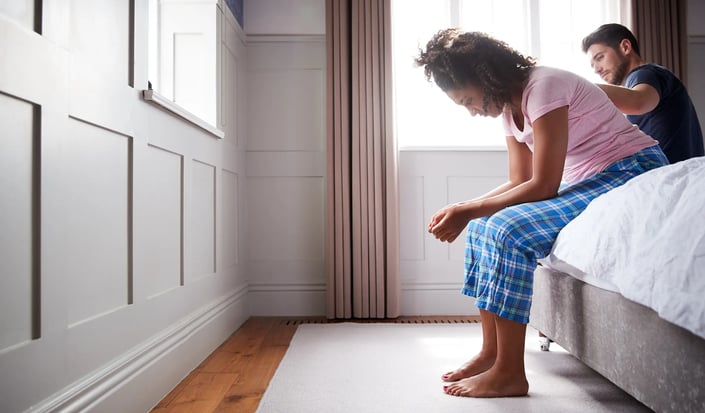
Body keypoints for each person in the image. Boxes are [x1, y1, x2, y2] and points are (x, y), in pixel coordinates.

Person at [415, 28, 668, 398]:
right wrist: (466, 210)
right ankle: (490, 352)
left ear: (486, 77)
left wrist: (466, 209)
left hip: (631, 168)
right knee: (485, 226)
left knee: (507, 231)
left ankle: (509, 373)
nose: (471, 112)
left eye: (468, 100)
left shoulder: (544, 86)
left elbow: (543, 186)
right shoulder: (507, 109)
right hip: (591, 178)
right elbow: (520, 179)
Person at [582, 23, 704, 163]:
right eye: (593, 65)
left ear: (625, 47)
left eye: (600, 57)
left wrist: (581, 88)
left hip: (669, 176)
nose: (597, 69)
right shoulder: (652, 76)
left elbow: (638, 102)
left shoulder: (644, 74)